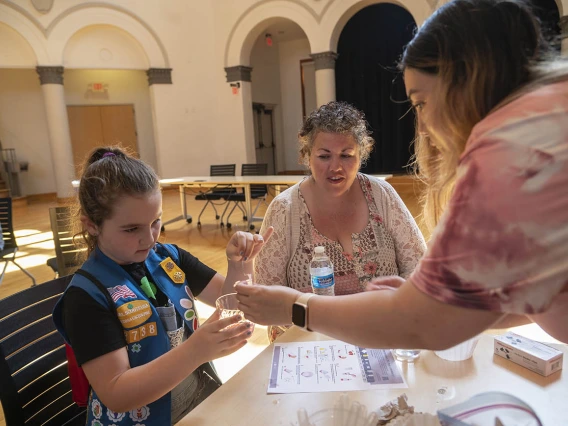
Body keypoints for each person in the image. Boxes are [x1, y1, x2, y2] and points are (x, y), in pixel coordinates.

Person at [236, 0, 568, 348]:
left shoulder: (507, 153)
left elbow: (422, 325)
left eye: (421, 102)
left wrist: (296, 307)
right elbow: (515, 298)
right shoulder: (546, 116)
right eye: (324, 155)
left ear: (466, 79)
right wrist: (426, 300)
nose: (422, 127)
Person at [53, 147, 272, 426]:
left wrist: (240, 264)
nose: (148, 239)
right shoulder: (86, 297)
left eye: (156, 222)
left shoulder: (168, 256)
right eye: (131, 229)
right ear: (92, 225)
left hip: (196, 401)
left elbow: (233, 303)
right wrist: (195, 350)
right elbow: (117, 393)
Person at [254, 101, 426, 340]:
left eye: (346, 155)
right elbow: (267, 300)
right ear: (307, 156)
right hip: (309, 350)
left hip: (383, 338)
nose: (335, 167)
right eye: (324, 156)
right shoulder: (286, 210)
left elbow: (417, 268)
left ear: (361, 155)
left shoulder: (381, 195)